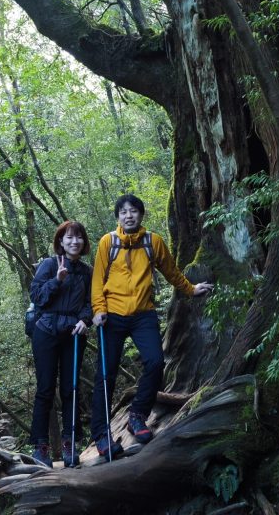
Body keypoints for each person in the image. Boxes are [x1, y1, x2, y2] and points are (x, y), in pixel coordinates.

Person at [91, 194, 212, 458]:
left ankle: (137, 415)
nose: (128, 215)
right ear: (118, 217)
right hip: (111, 316)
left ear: (140, 214)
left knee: (156, 362)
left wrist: (191, 289)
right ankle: (101, 434)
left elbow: (171, 271)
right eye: (123, 212)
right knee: (105, 375)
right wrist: (99, 310)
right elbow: (98, 281)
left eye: (133, 211)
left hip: (143, 314)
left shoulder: (152, 242)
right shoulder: (107, 243)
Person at [28, 220, 93, 467]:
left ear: (84, 243)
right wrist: (56, 280)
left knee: (71, 389)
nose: (74, 242)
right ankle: (41, 447)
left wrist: (85, 320)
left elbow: (90, 302)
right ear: (60, 242)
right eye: (69, 238)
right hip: (45, 331)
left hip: (73, 334)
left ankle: (69, 442)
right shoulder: (49, 264)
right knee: (45, 389)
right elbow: (36, 296)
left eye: (78, 238)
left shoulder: (87, 272)